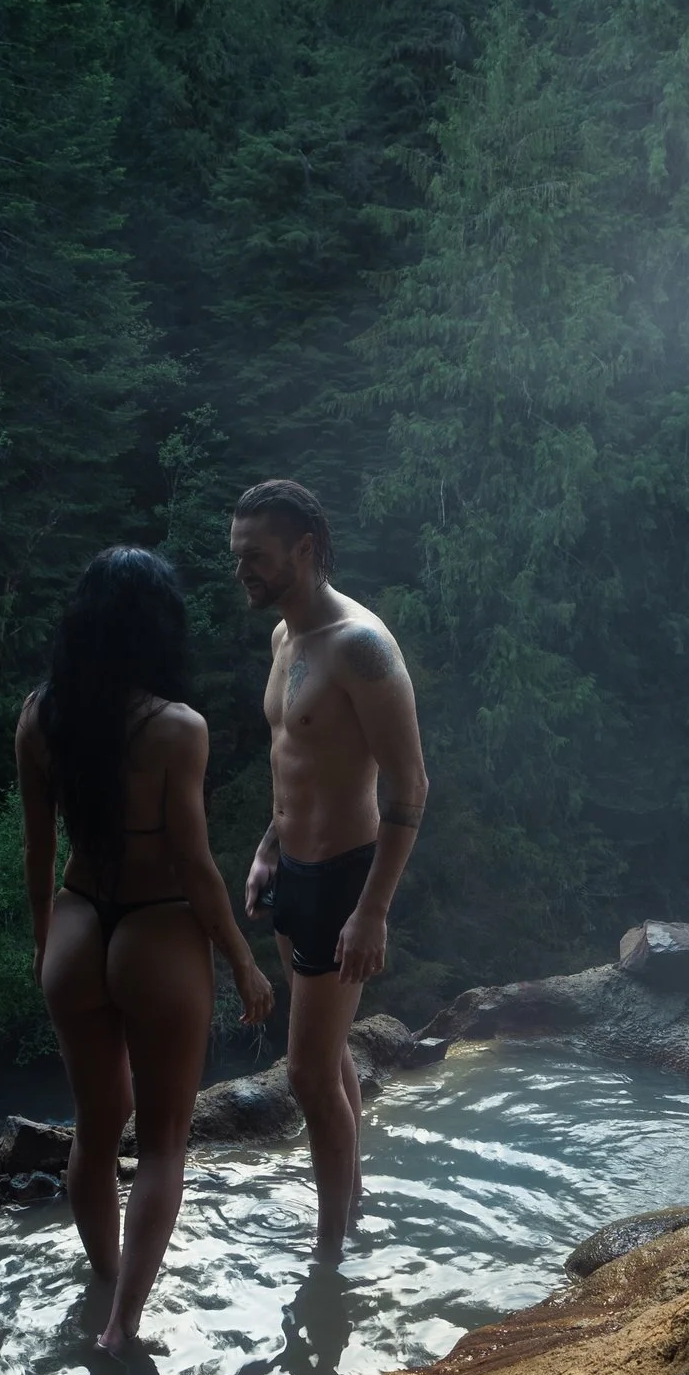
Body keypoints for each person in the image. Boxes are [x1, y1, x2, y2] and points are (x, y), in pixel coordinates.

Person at [17, 548, 274, 1353]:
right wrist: (240, 956)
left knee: (95, 1132)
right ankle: (124, 1327)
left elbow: (35, 850)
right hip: (156, 928)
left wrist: (42, 945)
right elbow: (195, 865)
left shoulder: (39, 715)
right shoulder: (176, 729)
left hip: (76, 923)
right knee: (162, 1142)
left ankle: (105, 1283)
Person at [230, 477, 429, 1262]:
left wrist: (373, 910)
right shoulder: (285, 639)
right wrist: (266, 849)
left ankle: (329, 1255)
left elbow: (409, 784)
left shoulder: (360, 645)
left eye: (259, 557)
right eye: (237, 556)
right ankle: (349, 1206)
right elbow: (297, 762)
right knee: (326, 1056)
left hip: (346, 878)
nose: (243, 570)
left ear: (305, 552)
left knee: (308, 1075)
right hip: (293, 872)